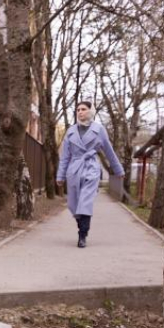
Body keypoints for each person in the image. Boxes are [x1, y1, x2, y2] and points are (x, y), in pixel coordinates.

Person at [56, 101, 124, 248]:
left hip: (91, 168)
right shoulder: (71, 131)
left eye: (84, 109)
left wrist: (118, 170)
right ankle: (82, 226)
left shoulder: (99, 130)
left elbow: (109, 151)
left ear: (90, 111)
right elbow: (65, 157)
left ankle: (82, 235)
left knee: (85, 202)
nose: (80, 112)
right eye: (78, 109)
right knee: (73, 204)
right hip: (74, 169)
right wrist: (60, 176)